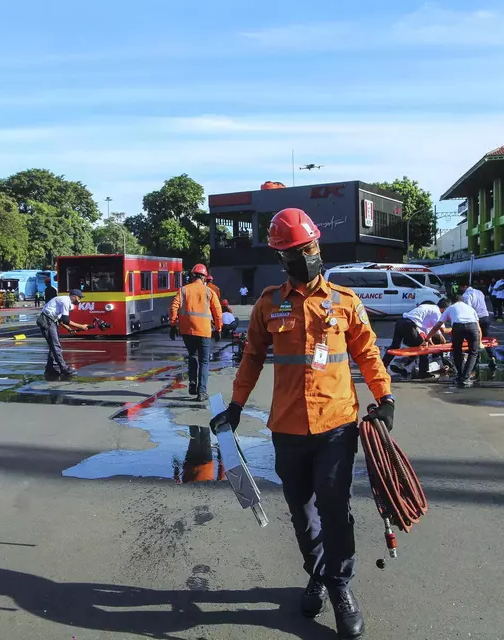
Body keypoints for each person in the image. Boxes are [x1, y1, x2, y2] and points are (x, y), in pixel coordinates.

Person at [210, 207, 393, 639]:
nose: (303, 256)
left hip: (336, 426)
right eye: (293, 251)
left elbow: (367, 352)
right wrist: (236, 406)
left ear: (318, 247)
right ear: (282, 258)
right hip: (288, 430)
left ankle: (341, 588)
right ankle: (319, 573)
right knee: (302, 513)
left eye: (307, 248)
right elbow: (251, 356)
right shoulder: (268, 304)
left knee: (335, 508)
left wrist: (384, 397)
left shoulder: (346, 302)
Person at [169, 263, 222, 401]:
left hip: (186, 330)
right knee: (204, 361)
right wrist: (219, 328)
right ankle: (202, 392)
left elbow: (174, 306)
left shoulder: (183, 290)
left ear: (192, 275)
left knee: (192, 356)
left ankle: (192, 383)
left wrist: (173, 325)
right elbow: (217, 312)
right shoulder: (210, 292)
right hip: (204, 331)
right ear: (204, 277)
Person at [424, 293, 481, 387]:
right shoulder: (470, 308)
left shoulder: (451, 308)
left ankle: (460, 375)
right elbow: (479, 328)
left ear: (453, 301)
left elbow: (437, 326)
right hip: (472, 327)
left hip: (458, 327)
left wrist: (427, 338)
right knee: (473, 352)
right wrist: (480, 342)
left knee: (457, 351)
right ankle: (465, 377)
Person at [382, 299, 448, 378]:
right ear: (444, 309)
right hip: (409, 325)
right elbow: (439, 329)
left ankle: (382, 367)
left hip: (400, 322)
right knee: (423, 348)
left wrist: (430, 343)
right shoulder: (437, 312)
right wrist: (442, 340)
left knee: (395, 346)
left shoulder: (428, 308)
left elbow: (427, 330)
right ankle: (423, 373)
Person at [36, 288, 90, 380]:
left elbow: (60, 319)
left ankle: (49, 369)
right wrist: (80, 326)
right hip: (47, 321)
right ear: (74, 296)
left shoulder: (64, 301)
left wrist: (68, 329)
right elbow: (66, 320)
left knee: (53, 347)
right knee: (56, 346)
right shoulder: (65, 301)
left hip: (50, 320)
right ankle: (64, 369)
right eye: (79, 298)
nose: (80, 300)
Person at [462, 283, 497, 370]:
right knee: (485, 338)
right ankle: (492, 358)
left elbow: (468, 308)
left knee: (472, 338)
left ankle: (474, 359)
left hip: (476, 318)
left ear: (465, 286)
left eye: (461, 287)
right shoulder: (479, 292)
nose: (461, 288)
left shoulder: (466, 295)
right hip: (485, 316)